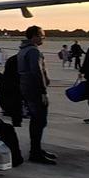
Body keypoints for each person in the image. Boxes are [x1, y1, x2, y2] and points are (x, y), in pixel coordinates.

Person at [17, 25, 57, 164]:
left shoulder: (23, 50)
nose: (43, 38)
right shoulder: (33, 51)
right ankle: (35, 152)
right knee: (39, 120)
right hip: (34, 90)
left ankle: (37, 149)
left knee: (36, 120)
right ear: (34, 36)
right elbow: (37, 72)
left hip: (26, 88)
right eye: (41, 35)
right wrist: (43, 92)